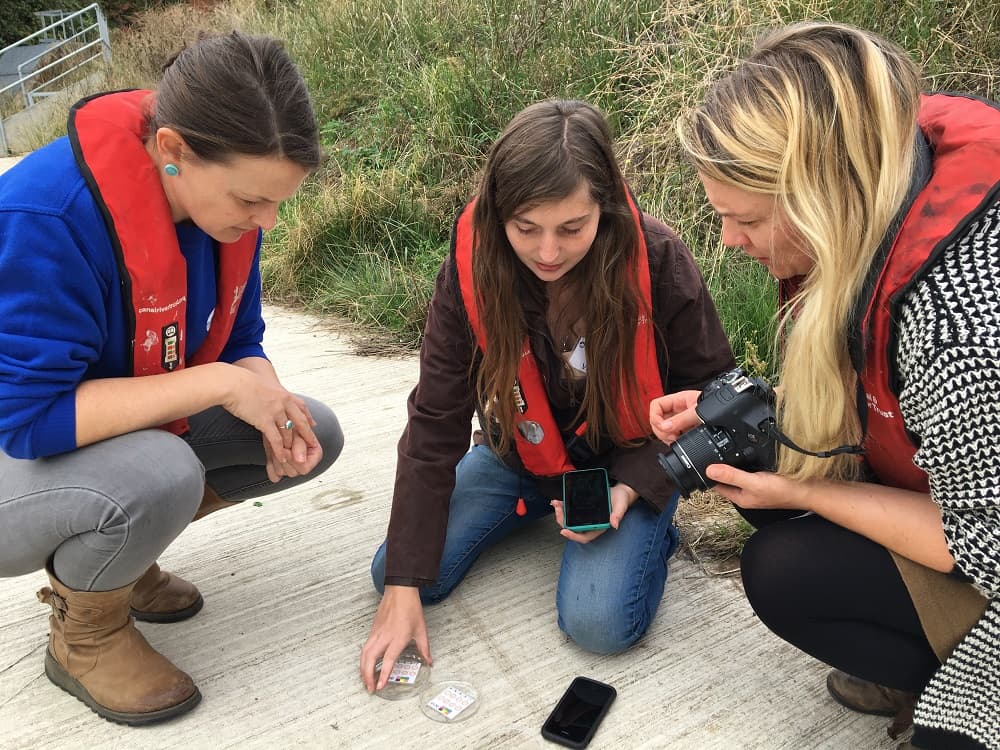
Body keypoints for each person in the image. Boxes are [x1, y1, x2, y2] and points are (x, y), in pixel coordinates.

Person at [653, 22, 1000, 750]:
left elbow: (979, 546)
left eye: (744, 218)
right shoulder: (886, 177)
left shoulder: (960, 328)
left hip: (984, 547)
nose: (726, 240)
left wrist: (808, 491)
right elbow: (883, 397)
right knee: (754, 458)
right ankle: (925, 656)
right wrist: (754, 422)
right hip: (954, 496)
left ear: (823, 196)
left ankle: (946, 684)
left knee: (949, 740)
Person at [0, 31, 344, 725]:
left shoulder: (222, 209)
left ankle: (121, 565)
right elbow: (28, 422)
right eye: (252, 201)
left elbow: (241, 339)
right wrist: (219, 386)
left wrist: (264, 395)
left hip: (87, 444)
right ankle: (85, 635)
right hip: (13, 461)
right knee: (161, 471)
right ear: (173, 151)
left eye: (278, 202)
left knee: (313, 429)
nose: (267, 221)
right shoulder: (45, 217)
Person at [360, 99, 735, 691]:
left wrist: (636, 485)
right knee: (398, 574)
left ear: (604, 208)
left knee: (599, 625)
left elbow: (714, 397)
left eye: (572, 228)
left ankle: (653, 528)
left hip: (628, 459)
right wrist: (405, 588)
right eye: (526, 229)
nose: (548, 253)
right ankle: (538, 501)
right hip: (518, 455)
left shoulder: (659, 258)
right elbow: (435, 420)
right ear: (498, 216)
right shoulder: (468, 271)